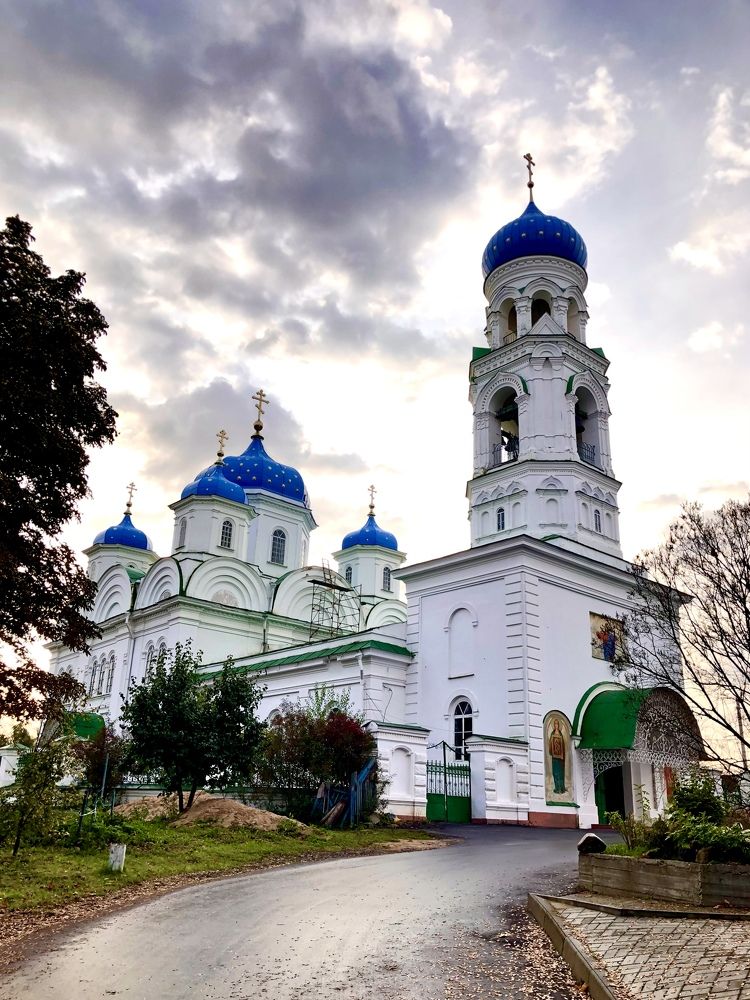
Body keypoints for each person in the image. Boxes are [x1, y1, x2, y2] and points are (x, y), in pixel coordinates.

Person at [548, 719, 566, 793]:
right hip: (555, 758)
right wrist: (552, 751)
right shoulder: (552, 734)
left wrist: (562, 755)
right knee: (555, 772)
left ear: (558, 725)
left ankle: (561, 788)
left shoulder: (561, 735)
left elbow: (563, 746)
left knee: (560, 773)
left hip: (560, 758)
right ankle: (557, 788)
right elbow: (550, 745)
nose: (556, 725)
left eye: (557, 724)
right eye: (555, 724)